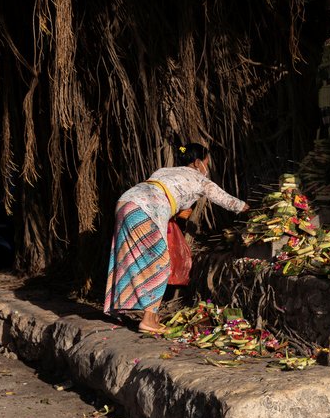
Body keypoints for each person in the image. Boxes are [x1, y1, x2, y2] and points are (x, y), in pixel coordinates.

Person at [103, 142, 250, 334]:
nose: (208, 166)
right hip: (148, 208)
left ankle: (123, 309)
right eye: (207, 162)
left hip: (126, 202)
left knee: (127, 256)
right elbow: (225, 199)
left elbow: (167, 193)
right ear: (198, 162)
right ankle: (148, 320)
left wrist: (177, 211)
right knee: (161, 262)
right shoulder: (199, 178)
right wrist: (246, 208)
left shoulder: (164, 171)